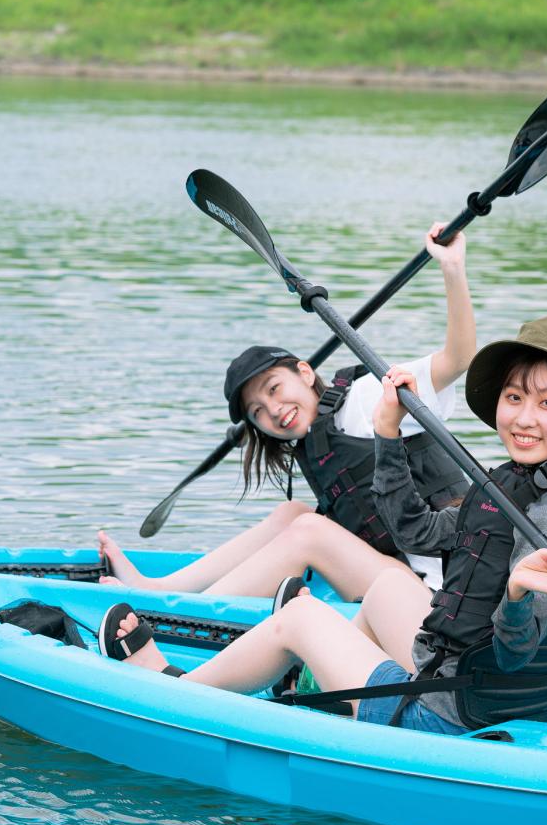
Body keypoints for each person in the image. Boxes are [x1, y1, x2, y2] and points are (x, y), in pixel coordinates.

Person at [99, 314, 547, 735]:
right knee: (386, 588)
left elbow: (516, 651)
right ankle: (317, 681)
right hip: (504, 696)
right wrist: (387, 432)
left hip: (455, 717)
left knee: (302, 617)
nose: (523, 418)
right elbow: (417, 534)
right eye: (514, 399)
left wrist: (516, 594)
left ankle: (174, 687)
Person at [96, 222, 476, 602]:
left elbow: (458, 359)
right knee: (292, 514)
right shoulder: (314, 448)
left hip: (448, 583)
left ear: (306, 372)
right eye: (258, 410)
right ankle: (160, 589)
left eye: (275, 389)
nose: (274, 411)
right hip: (396, 578)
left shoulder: (366, 396)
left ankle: (181, 610)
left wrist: (452, 268)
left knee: (309, 528)